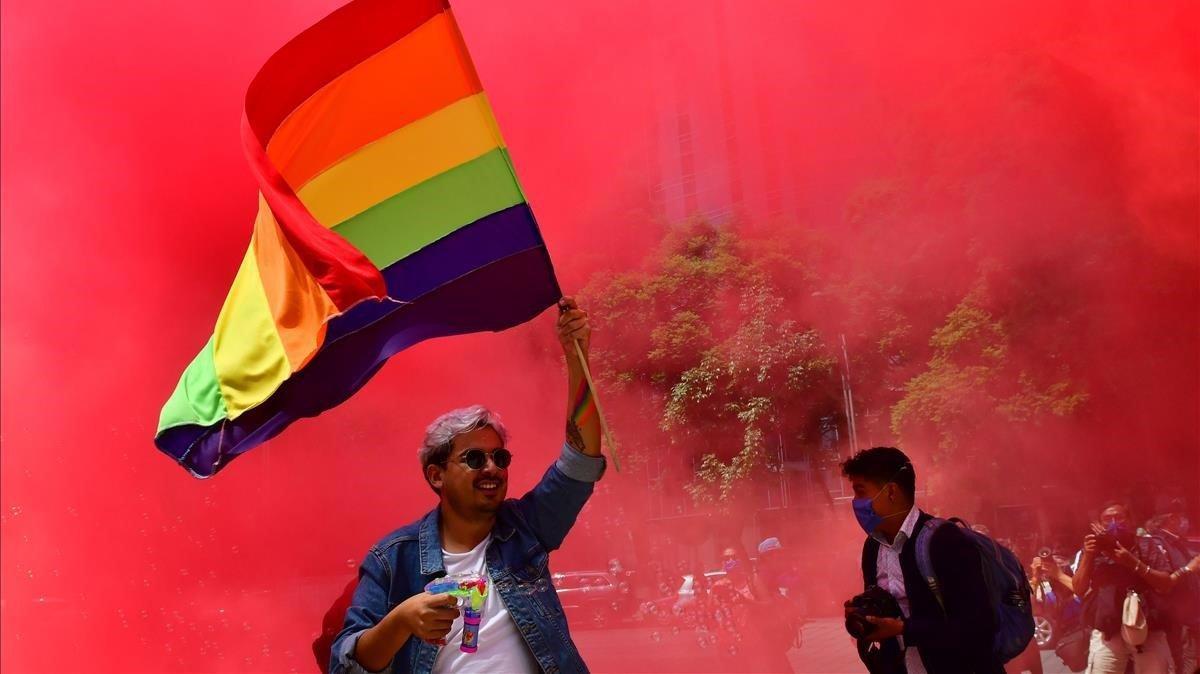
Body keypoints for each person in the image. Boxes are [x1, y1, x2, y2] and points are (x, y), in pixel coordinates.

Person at [329, 298, 605, 674]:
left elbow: (580, 464)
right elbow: (345, 665)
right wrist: (402, 619)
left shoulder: (526, 529)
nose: (491, 467)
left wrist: (577, 356)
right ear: (436, 475)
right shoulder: (393, 559)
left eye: (500, 457)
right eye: (474, 459)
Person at [840, 446, 1002, 674]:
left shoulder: (943, 540)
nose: (855, 502)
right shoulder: (873, 546)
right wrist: (864, 616)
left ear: (891, 492)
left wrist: (903, 628)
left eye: (860, 491)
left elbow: (978, 625)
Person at [1068, 500, 1199, 674]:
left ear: (1129, 521)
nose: (1114, 522)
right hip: (1109, 634)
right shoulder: (1091, 550)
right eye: (1108, 519)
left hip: (1148, 631)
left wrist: (1132, 563)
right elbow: (1078, 589)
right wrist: (1089, 555)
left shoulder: (1147, 545)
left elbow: (1165, 584)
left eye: (1119, 517)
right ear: (1099, 524)